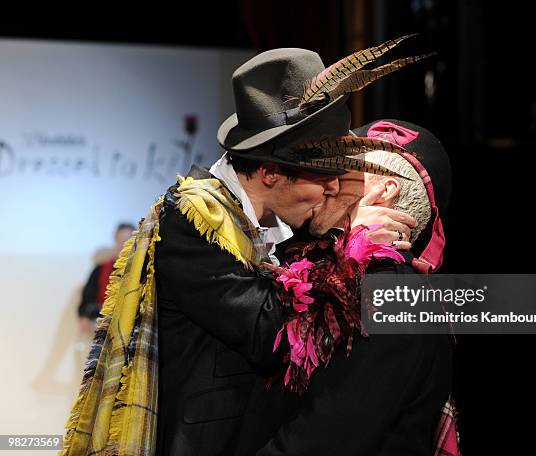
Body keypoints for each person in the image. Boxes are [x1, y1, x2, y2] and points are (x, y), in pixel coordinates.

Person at [61, 37, 426, 456]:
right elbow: (270, 332)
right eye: (320, 176)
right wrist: (352, 245)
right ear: (271, 173)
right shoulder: (194, 218)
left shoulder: (285, 225)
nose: (331, 189)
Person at [236, 120, 458, 455]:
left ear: (383, 189)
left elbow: (319, 442)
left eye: (342, 169)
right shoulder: (339, 274)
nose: (325, 181)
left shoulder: (398, 299)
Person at [77, 223, 136, 333]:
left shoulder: (143, 271)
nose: (123, 245)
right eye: (120, 241)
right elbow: (87, 299)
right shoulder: (100, 269)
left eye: (127, 241)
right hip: (102, 329)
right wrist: (84, 317)